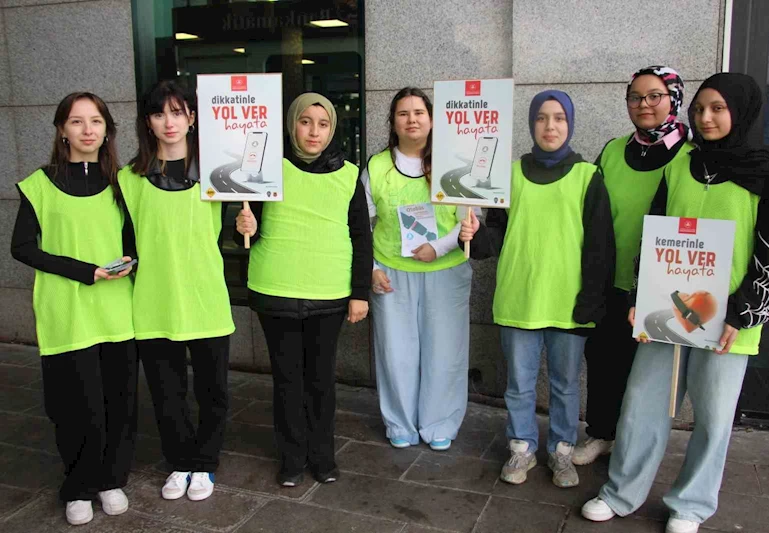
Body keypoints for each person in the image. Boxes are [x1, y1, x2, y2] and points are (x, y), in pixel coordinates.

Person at [581, 73, 769, 533]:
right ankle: (621, 492)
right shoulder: (680, 164)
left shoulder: (764, 173)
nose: (706, 117)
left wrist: (744, 311)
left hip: (730, 320)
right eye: (699, 109)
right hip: (668, 311)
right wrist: (642, 295)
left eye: (717, 108)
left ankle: (691, 505)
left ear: (740, 112)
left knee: (714, 419)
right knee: (641, 403)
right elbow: (653, 232)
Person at [460, 90, 614, 487]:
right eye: (542, 118)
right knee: (519, 384)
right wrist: (474, 235)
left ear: (570, 124)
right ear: (531, 125)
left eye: (559, 118)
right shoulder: (508, 175)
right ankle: (522, 449)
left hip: (569, 303)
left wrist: (591, 301)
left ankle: (562, 452)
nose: (550, 126)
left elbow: (600, 246)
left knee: (564, 385)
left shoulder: (588, 176)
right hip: (519, 298)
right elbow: (492, 237)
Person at [10, 92, 137, 525]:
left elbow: (134, 241)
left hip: (118, 314)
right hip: (67, 313)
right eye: (77, 122)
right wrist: (85, 271)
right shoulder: (39, 184)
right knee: (74, 407)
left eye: (96, 121)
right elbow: (22, 247)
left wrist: (128, 261)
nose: (87, 130)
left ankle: (111, 479)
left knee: (118, 402)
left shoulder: (124, 183)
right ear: (62, 129)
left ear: (107, 130)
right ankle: (79, 485)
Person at [235, 93, 371, 486]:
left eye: (323, 123)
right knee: (287, 381)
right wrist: (243, 227)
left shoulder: (348, 173)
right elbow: (248, 227)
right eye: (305, 122)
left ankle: (323, 457)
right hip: (275, 291)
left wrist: (359, 292)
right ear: (291, 124)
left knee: (321, 381)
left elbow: (361, 237)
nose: (314, 131)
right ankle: (292, 458)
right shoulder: (266, 168)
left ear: (333, 128)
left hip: (329, 294)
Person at [119, 80, 234, 502]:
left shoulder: (219, 174)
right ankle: (180, 461)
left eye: (177, 111)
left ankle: (205, 463)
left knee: (213, 390)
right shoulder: (128, 180)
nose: (169, 122)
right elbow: (123, 243)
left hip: (205, 295)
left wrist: (249, 228)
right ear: (147, 122)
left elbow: (247, 234)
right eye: (159, 113)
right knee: (167, 392)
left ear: (192, 117)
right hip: (154, 299)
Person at [575, 66, 692, 465]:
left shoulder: (692, 155)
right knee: (604, 361)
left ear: (674, 98)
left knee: (647, 376)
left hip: (662, 287)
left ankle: (635, 446)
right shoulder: (612, 149)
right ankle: (601, 434)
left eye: (654, 95)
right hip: (611, 278)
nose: (644, 105)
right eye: (635, 97)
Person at [364, 87, 472, 452]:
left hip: (446, 270)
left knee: (445, 351)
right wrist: (372, 268)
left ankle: (439, 422)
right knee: (396, 353)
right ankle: (400, 422)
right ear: (393, 122)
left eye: (419, 113)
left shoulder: (452, 161)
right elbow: (358, 223)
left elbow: (470, 218)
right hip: (391, 272)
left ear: (432, 119)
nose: (412, 119)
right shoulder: (377, 166)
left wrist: (438, 247)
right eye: (403, 113)